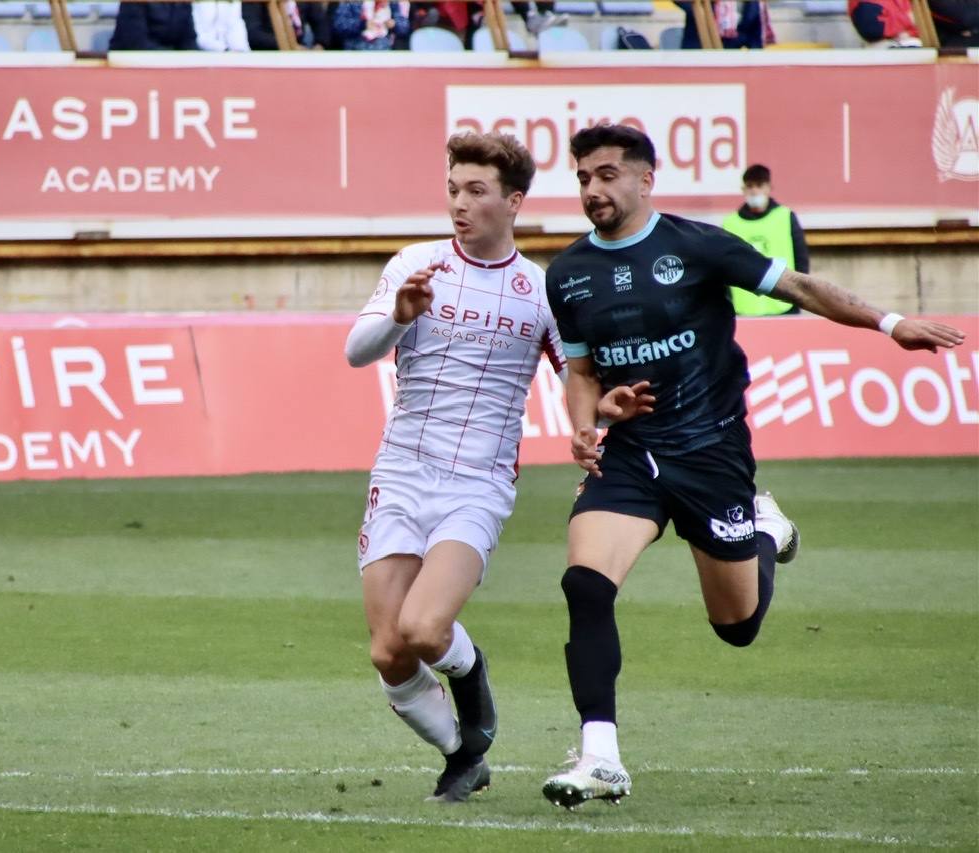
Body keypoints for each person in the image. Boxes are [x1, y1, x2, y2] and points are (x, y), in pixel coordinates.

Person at [539, 123, 966, 810]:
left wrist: (890, 324)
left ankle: (764, 527)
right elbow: (582, 370)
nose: (594, 188)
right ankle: (601, 755)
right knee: (585, 584)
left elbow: (798, 286)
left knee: (736, 626)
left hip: (711, 454)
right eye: (584, 176)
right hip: (630, 456)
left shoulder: (697, 245)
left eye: (608, 173)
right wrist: (587, 426)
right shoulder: (567, 274)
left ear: (647, 179)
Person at [345, 131, 565, 803]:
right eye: (452, 189)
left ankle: (472, 684)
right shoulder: (416, 264)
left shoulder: (541, 291)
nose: (459, 204)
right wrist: (398, 317)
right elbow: (357, 351)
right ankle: (462, 750)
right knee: (390, 651)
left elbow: (578, 377)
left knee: (424, 628)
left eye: (475, 191)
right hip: (403, 474)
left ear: (513, 200)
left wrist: (602, 418)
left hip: (477, 484)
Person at [722, 163, 808, 316]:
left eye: (759, 185)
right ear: (743, 189)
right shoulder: (730, 223)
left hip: (784, 306)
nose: (754, 190)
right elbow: (722, 269)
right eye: (750, 186)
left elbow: (801, 260)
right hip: (743, 310)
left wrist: (798, 298)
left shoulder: (785, 217)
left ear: (768, 187)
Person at [108, 1, 199, 49]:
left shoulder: (183, 3)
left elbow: (189, 40)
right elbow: (136, 43)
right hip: (131, 66)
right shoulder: (133, 2)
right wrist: (174, 58)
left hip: (170, 65)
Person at [331, 0, 409, 49]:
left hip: (384, 51)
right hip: (355, 51)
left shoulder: (392, 3)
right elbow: (339, 25)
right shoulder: (351, 2)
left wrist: (394, 24)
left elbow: (404, 27)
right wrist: (363, 24)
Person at [848, 0, 922, 47]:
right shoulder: (864, 4)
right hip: (884, 48)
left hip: (914, 42)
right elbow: (872, 30)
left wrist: (909, 33)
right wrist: (908, 19)